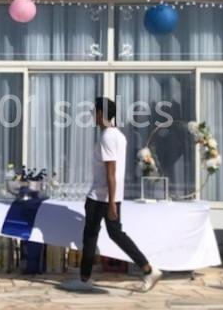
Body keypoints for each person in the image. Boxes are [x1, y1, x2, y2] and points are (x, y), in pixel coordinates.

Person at [62, 97, 163, 293]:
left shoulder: (107, 137)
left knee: (90, 236)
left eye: (94, 112)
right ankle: (148, 269)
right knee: (115, 234)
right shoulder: (119, 136)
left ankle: (84, 280)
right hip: (110, 196)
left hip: (101, 196)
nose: (92, 115)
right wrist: (114, 201)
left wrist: (111, 203)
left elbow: (111, 171)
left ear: (101, 113)